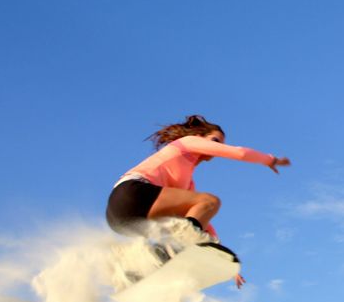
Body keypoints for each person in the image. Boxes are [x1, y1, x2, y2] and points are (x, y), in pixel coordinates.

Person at [105, 114, 290, 288]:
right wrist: (269, 160)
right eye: (216, 141)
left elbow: (201, 221)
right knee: (210, 201)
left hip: (123, 219)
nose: (219, 149)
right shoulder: (186, 143)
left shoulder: (187, 184)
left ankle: (134, 271)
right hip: (132, 194)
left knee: (199, 210)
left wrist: (225, 261)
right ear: (200, 136)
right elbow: (239, 153)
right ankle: (169, 250)